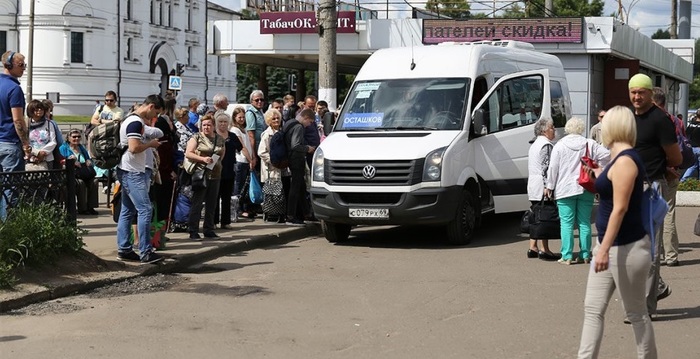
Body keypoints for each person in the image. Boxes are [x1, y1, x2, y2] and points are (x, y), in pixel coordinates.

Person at [577, 105, 657, 358]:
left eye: (605, 123)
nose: (601, 128)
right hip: (609, 246)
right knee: (592, 309)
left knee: (636, 314)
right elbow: (613, 192)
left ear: (613, 127)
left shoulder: (626, 161)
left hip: (626, 248)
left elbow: (620, 209)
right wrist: (598, 173)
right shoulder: (618, 160)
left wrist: (603, 250)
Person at [628, 73, 680, 317]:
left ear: (650, 93)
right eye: (633, 92)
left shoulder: (661, 120)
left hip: (651, 188)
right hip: (628, 188)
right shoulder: (626, 118)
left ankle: (643, 308)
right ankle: (655, 288)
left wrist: (663, 167)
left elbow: (676, 157)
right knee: (628, 249)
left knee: (649, 251)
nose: (637, 97)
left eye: (641, 92)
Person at [546, 117, 610, 265]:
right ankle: (585, 254)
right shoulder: (589, 143)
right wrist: (598, 170)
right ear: (581, 128)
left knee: (567, 223)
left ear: (568, 129)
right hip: (585, 187)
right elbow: (607, 156)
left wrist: (550, 186)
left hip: (564, 188)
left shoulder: (560, 145)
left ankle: (567, 255)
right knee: (584, 222)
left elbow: (553, 169)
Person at [115, 94, 164, 264]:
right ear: (150, 106)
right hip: (132, 172)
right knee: (145, 209)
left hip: (128, 170)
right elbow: (134, 148)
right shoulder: (135, 122)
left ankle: (124, 249)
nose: (155, 117)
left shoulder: (131, 119)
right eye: (156, 112)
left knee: (127, 211)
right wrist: (150, 144)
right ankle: (145, 251)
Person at [185, 114, 225, 239]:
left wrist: (216, 163)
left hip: (215, 174)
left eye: (209, 125)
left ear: (213, 126)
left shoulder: (219, 138)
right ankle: (193, 230)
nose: (206, 127)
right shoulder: (196, 137)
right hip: (201, 174)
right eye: (204, 125)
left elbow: (222, 152)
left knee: (212, 204)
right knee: (197, 203)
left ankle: (208, 229)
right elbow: (188, 153)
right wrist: (202, 159)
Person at [0, 51, 30, 219]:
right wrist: (26, 145)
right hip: (9, 145)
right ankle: (8, 232)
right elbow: (18, 120)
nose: (24, 69)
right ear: (9, 66)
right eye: (21, 65)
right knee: (11, 190)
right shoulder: (14, 88)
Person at [526, 117, 559, 261]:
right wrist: (548, 186)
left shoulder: (534, 144)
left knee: (536, 215)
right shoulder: (546, 145)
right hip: (541, 185)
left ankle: (533, 246)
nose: (554, 130)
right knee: (544, 217)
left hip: (533, 184)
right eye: (552, 128)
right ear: (545, 130)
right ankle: (545, 250)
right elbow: (547, 167)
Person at [284, 108, 315, 226]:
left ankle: (306, 214)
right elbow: (295, 145)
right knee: (296, 187)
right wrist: (308, 148)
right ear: (306, 118)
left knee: (301, 187)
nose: (309, 125)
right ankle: (290, 216)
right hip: (296, 160)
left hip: (290, 159)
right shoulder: (298, 127)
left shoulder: (289, 123)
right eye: (310, 122)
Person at [258, 108, 287, 223]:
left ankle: (280, 214)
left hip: (281, 167)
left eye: (278, 118)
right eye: (273, 119)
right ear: (269, 121)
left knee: (280, 192)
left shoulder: (281, 132)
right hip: (270, 168)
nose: (276, 120)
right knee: (272, 192)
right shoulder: (267, 135)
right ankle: (271, 214)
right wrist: (273, 161)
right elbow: (261, 152)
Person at [214, 110, 242, 229]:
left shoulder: (232, 136)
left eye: (225, 122)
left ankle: (225, 222)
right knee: (214, 197)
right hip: (216, 170)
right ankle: (213, 221)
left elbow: (240, 148)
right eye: (220, 122)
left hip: (229, 170)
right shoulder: (214, 135)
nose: (223, 124)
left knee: (226, 197)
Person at [60, 129, 98, 215]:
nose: (76, 138)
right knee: (81, 183)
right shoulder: (63, 148)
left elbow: (88, 158)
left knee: (94, 182)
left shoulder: (81, 148)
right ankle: (82, 208)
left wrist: (88, 161)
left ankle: (91, 207)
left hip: (84, 173)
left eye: (78, 136)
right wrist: (70, 162)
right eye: (74, 137)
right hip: (71, 174)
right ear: (68, 138)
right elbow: (60, 161)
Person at [231, 106, 256, 219]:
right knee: (238, 186)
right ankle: (238, 209)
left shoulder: (244, 130)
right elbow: (242, 147)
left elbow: (250, 145)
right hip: (240, 161)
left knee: (245, 187)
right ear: (235, 118)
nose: (242, 119)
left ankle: (245, 207)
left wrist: (253, 157)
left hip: (247, 160)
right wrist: (250, 160)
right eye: (239, 117)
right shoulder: (235, 130)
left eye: (243, 117)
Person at [26, 100, 58, 171]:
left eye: (41, 108)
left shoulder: (50, 124)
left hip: (47, 158)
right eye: (37, 109)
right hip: (30, 159)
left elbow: (53, 141)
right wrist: (36, 153)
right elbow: (25, 142)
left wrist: (42, 153)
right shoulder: (26, 124)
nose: (39, 110)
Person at [246, 90, 267, 173]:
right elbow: (251, 135)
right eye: (257, 100)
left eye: (262, 100)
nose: (259, 102)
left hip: (262, 148)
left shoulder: (260, 112)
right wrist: (253, 156)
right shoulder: (251, 113)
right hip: (256, 149)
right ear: (251, 101)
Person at [681, 109, 700, 181]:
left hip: (691, 148)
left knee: (692, 166)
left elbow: (686, 135)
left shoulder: (691, 124)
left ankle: (683, 180)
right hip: (699, 148)